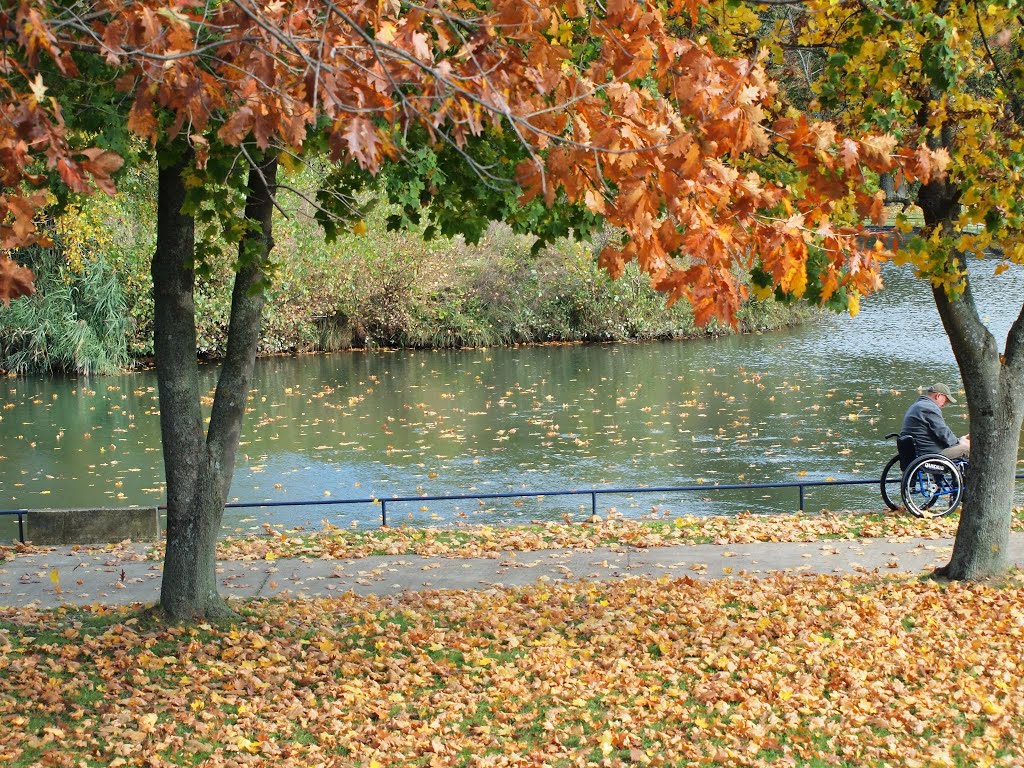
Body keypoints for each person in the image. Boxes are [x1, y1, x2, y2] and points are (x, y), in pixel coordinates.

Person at [900, 383, 970, 460]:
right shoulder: (930, 408)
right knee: (967, 449)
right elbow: (942, 432)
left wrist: (959, 440)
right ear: (938, 396)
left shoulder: (918, 405)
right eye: (946, 401)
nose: (944, 405)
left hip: (918, 452)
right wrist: (960, 442)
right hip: (929, 454)